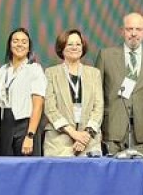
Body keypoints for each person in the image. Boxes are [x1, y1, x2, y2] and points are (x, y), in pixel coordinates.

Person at [95, 12, 143, 155]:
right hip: (112, 132)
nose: (133, 33)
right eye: (129, 29)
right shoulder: (105, 56)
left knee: (139, 176)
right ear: (122, 31)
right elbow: (96, 95)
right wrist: (96, 129)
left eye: (138, 29)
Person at [43, 29, 104, 157]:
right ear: (62, 48)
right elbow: (50, 108)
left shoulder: (94, 74)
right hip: (59, 141)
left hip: (89, 141)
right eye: (70, 44)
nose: (74, 47)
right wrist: (74, 134)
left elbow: (99, 108)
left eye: (78, 44)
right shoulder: (51, 73)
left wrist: (85, 136)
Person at [0, 28, 46, 156]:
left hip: (26, 125)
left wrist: (30, 135)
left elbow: (38, 105)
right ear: (9, 45)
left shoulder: (34, 69)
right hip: (5, 124)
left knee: (28, 170)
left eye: (24, 42)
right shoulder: (2, 71)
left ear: (29, 47)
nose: (19, 44)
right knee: (6, 169)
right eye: (15, 41)